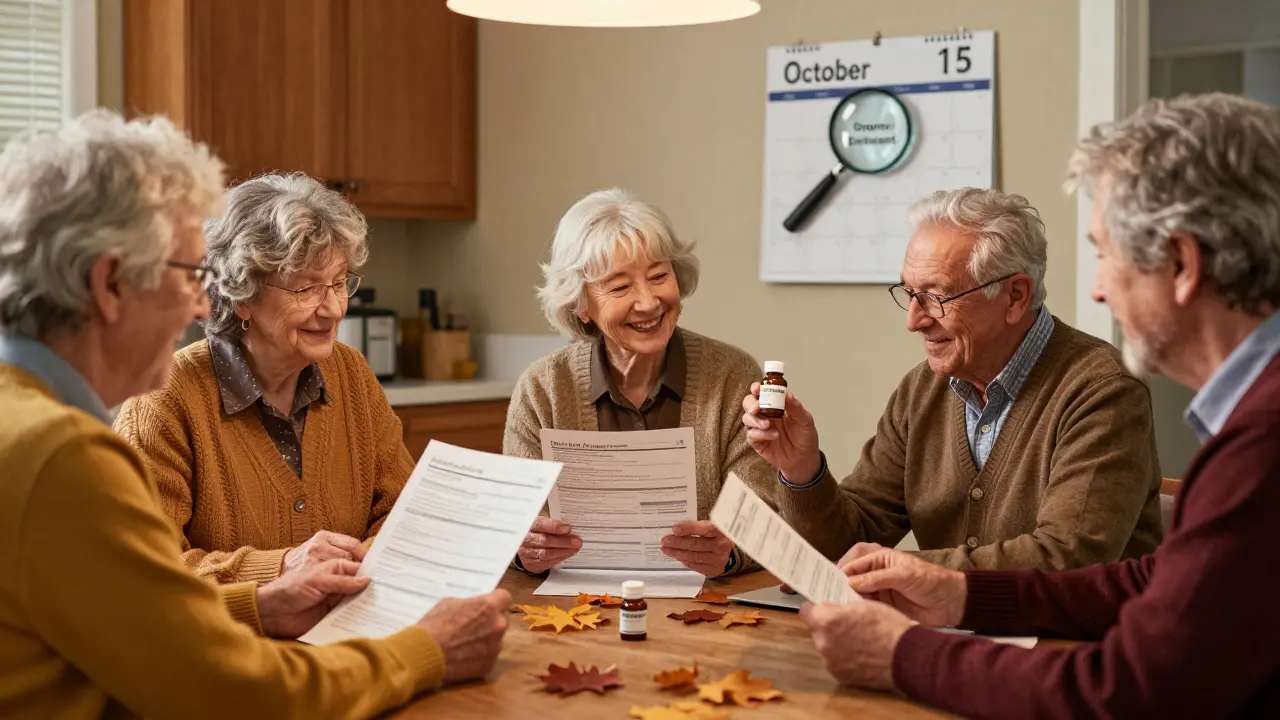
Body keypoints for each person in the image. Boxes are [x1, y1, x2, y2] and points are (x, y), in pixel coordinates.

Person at [0, 110, 509, 717]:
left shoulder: (27, 425)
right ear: (110, 284)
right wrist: (427, 651)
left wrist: (259, 605)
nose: (200, 299)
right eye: (190, 274)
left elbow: (145, 617)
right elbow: (231, 690)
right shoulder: (61, 457)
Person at [799, 93, 1280, 718]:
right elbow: (1153, 580)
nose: (1099, 288)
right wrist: (961, 594)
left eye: (1106, 253)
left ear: (1182, 264)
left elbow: (1130, 689)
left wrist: (904, 655)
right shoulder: (1253, 422)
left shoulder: (1260, 443)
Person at [742, 187, 1164, 571]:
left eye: (935, 296)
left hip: (1077, 646)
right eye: (909, 294)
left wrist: (912, 572)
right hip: (950, 637)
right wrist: (802, 470)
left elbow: (1068, 558)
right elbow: (849, 542)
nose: (913, 321)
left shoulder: (1102, 389)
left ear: (1014, 296)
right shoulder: (921, 390)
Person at [115, 172, 414, 585]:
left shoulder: (351, 374)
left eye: (340, 283)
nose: (333, 309)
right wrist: (282, 568)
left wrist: (361, 561)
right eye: (306, 289)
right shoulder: (161, 402)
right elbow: (142, 571)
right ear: (242, 296)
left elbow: (404, 512)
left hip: (347, 624)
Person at [505, 188, 777, 577]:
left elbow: (763, 516)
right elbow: (518, 528)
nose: (649, 302)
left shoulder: (732, 376)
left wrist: (731, 553)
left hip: (710, 611)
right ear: (580, 305)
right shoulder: (543, 388)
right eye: (620, 286)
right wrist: (525, 551)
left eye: (659, 276)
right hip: (574, 609)